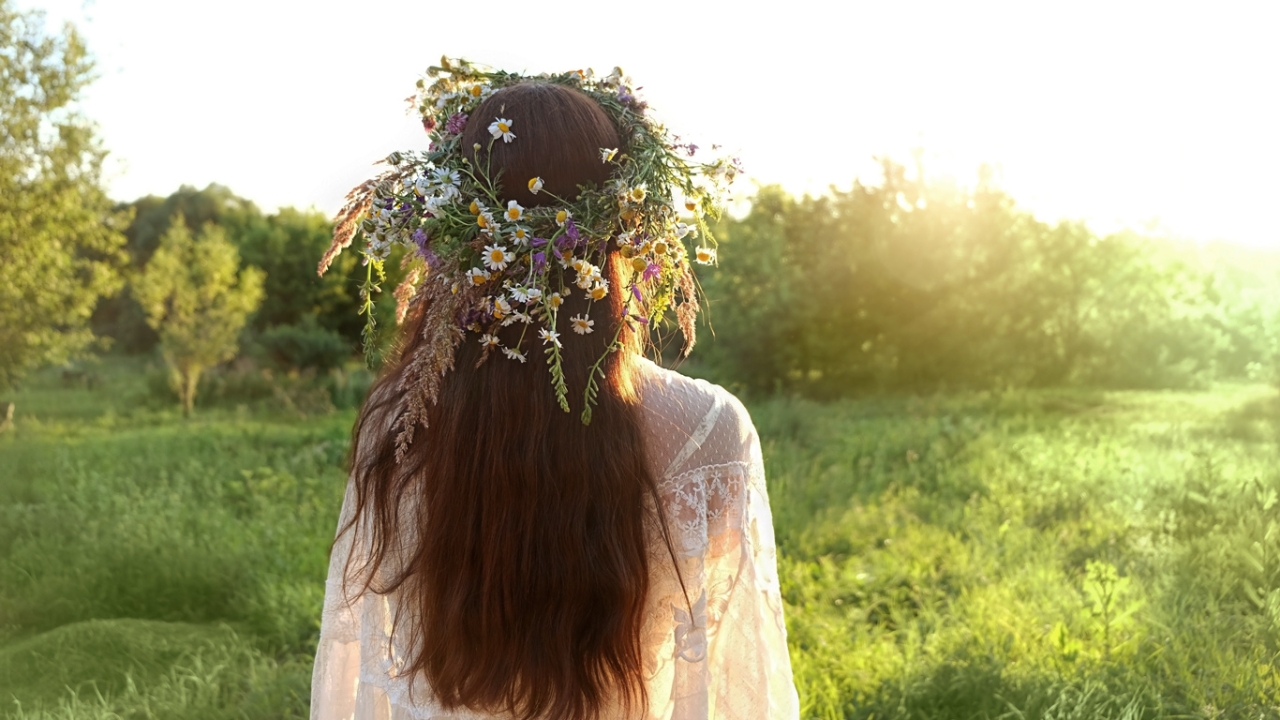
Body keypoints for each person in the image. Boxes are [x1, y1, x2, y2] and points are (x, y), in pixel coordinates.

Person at [310, 60, 799, 720]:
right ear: (627, 223)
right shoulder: (706, 430)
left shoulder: (400, 423)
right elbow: (736, 679)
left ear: (453, 236)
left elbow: (359, 672)